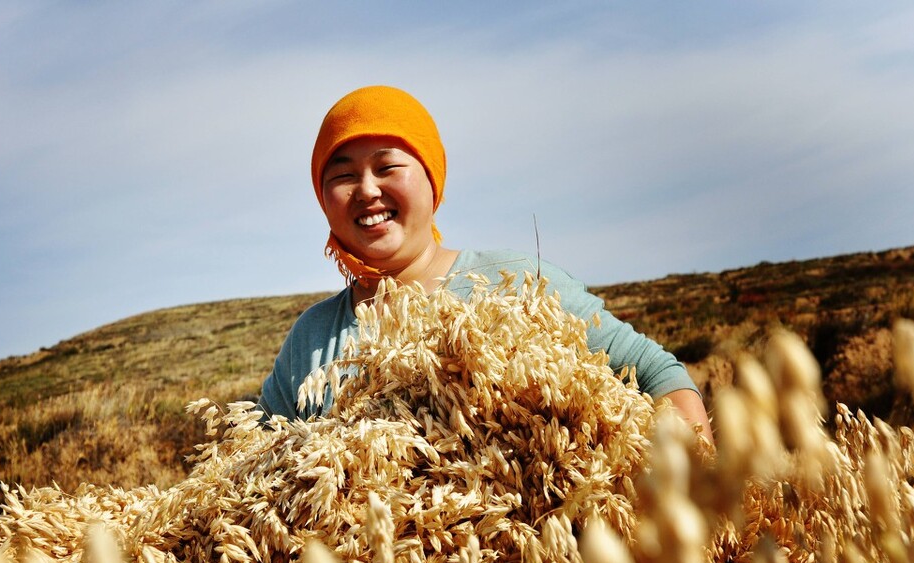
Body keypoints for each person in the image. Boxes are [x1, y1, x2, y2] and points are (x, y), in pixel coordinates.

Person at [259, 85, 713, 444]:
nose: (367, 190)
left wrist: (698, 496)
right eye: (342, 175)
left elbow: (653, 373)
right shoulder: (312, 339)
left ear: (431, 180)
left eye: (387, 167)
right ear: (323, 198)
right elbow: (252, 467)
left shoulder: (514, 282)